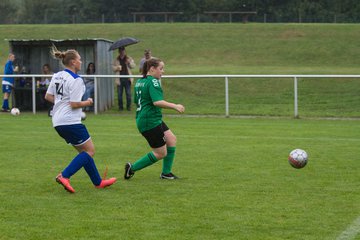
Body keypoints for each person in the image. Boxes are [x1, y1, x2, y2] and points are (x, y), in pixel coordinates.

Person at [45, 46, 116, 193]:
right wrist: (88, 102)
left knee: (84, 153)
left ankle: (98, 182)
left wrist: (61, 104)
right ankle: (64, 176)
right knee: (90, 151)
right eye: (79, 59)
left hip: (58, 121)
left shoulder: (57, 75)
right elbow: (74, 104)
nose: (81, 62)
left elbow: (48, 96)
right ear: (72, 62)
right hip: (70, 121)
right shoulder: (76, 80)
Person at [124, 58, 185, 180]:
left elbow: (137, 101)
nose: (163, 72)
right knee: (161, 153)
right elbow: (157, 102)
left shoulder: (140, 81)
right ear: (152, 69)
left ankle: (166, 173)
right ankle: (132, 168)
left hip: (149, 118)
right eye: (161, 68)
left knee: (171, 139)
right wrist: (175, 106)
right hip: (149, 121)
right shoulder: (153, 82)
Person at [112, 46, 135, 111]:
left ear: (124, 51)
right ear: (119, 52)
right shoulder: (116, 59)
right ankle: (120, 107)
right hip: (119, 79)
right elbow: (112, 68)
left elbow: (133, 66)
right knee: (119, 95)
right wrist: (117, 68)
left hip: (127, 79)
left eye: (123, 50)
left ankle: (128, 107)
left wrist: (129, 63)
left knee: (128, 94)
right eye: (120, 51)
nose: (122, 52)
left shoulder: (129, 58)